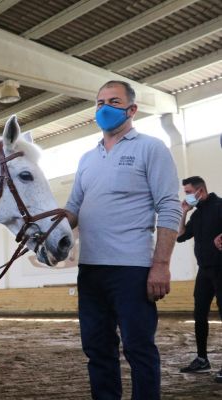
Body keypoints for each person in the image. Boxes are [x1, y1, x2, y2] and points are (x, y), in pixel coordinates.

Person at [65, 80, 182, 399]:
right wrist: (42, 224)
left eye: (113, 102)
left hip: (132, 270)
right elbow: (73, 208)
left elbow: (169, 205)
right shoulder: (87, 159)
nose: (104, 108)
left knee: (139, 349)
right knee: (97, 350)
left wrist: (161, 264)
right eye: (99, 102)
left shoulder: (151, 147)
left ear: (132, 109)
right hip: (90, 271)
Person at [176, 176, 222, 380]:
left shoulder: (220, 206)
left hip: (221, 269)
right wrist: (184, 212)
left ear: (200, 191)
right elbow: (180, 235)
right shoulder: (197, 214)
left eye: (188, 191)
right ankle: (202, 360)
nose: (186, 195)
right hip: (204, 271)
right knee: (199, 315)